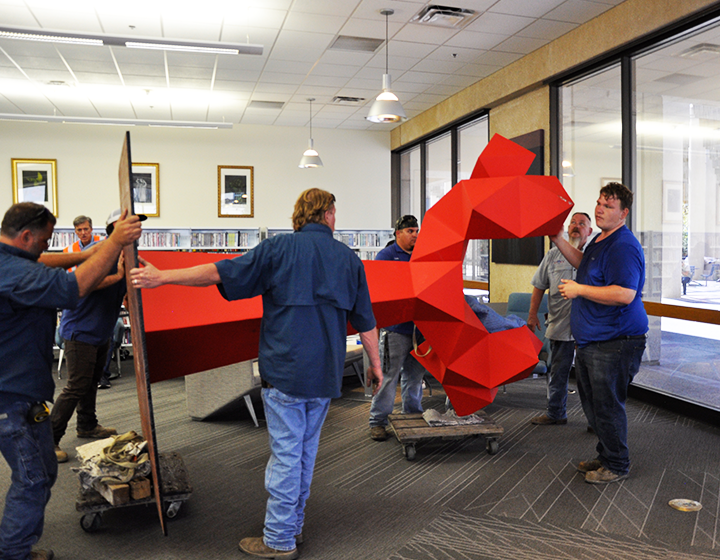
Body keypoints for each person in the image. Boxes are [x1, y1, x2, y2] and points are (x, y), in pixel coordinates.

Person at [130, 188, 383, 560]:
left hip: (285, 372)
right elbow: (366, 323)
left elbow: (218, 271)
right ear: (328, 214)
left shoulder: (277, 249)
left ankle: (279, 539)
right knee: (303, 455)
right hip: (324, 377)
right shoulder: (349, 260)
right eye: (335, 211)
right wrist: (376, 366)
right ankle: (292, 527)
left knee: (285, 456)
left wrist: (162, 277)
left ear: (300, 215)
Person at [0, 202, 141, 560]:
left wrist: (96, 251)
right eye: (45, 240)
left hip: (23, 393)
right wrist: (114, 244)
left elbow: (44, 263)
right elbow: (72, 288)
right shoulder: (13, 273)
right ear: (27, 235)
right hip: (10, 398)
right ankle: (12, 553)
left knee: (43, 471)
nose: (48, 247)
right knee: (32, 480)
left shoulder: (12, 260)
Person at [550, 182, 648, 485]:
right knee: (593, 405)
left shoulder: (623, 246)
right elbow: (583, 265)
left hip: (616, 342)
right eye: (598, 203)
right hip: (594, 341)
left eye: (608, 205)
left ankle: (617, 464)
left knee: (607, 406)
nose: (599, 209)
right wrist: (556, 238)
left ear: (624, 213)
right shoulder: (599, 240)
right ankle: (606, 454)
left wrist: (579, 290)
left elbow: (625, 294)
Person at [51, 209, 143, 462]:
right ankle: (48, 439)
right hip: (79, 330)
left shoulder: (129, 255)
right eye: (129, 226)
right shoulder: (103, 252)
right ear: (114, 229)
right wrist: (119, 276)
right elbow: (84, 283)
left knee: (91, 382)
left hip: (101, 330)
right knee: (77, 385)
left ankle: (87, 425)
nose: (136, 231)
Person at [528, 212, 593, 426]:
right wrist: (532, 315)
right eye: (573, 222)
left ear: (589, 231)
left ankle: (596, 422)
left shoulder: (594, 256)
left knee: (591, 378)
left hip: (589, 328)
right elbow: (539, 285)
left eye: (582, 223)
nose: (576, 226)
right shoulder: (553, 255)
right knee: (558, 372)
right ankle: (556, 413)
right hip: (560, 324)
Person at [367, 215, 428, 442]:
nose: (415, 235)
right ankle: (378, 422)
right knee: (388, 377)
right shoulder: (386, 256)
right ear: (398, 234)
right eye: (410, 231)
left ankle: (412, 415)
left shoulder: (422, 256)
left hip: (419, 328)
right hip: (395, 329)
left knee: (415, 376)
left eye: (416, 231)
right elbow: (378, 291)